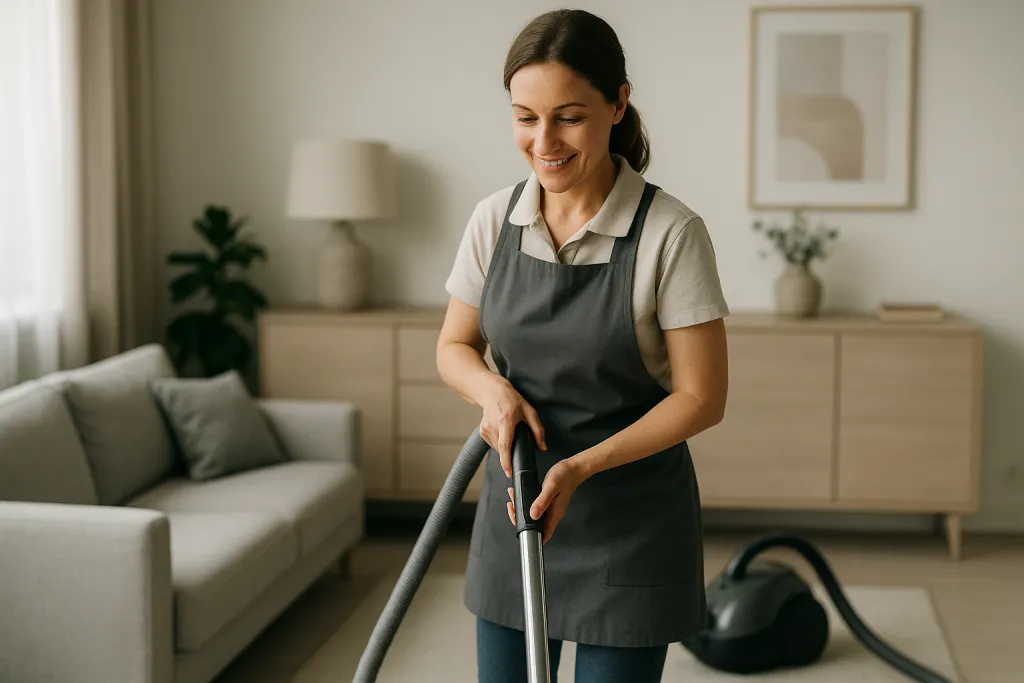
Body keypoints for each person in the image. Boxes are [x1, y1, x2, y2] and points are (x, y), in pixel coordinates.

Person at [436, 8, 730, 683]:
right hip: (517, 514)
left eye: (568, 116)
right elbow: (454, 344)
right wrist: (492, 390)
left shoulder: (671, 234)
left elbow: (702, 397)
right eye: (525, 116)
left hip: (629, 526)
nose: (545, 140)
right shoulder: (494, 218)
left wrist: (579, 467)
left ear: (618, 102)